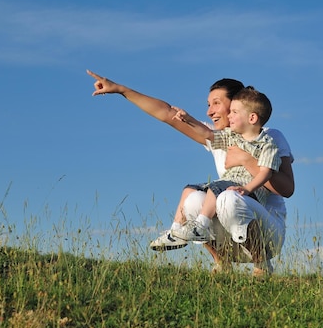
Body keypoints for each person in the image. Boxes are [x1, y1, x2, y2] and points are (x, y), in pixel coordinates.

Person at [87, 70, 294, 276]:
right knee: (194, 200)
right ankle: (222, 264)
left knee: (229, 198)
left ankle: (261, 266)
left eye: (216, 103)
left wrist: (247, 161)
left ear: (236, 106)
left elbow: (287, 189)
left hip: (267, 234)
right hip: (231, 231)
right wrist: (121, 90)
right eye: (208, 104)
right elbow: (167, 114)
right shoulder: (221, 138)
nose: (209, 111)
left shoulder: (269, 137)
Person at [169, 87, 281, 254]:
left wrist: (248, 188)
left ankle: (201, 225)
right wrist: (188, 119)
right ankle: (179, 231)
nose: (229, 116)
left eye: (234, 112)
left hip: (251, 194)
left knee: (219, 189)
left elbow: (266, 172)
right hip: (229, 186)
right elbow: (207, 133)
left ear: (252, 118)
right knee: (195, 191)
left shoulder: (268, 143)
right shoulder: (231, 136)